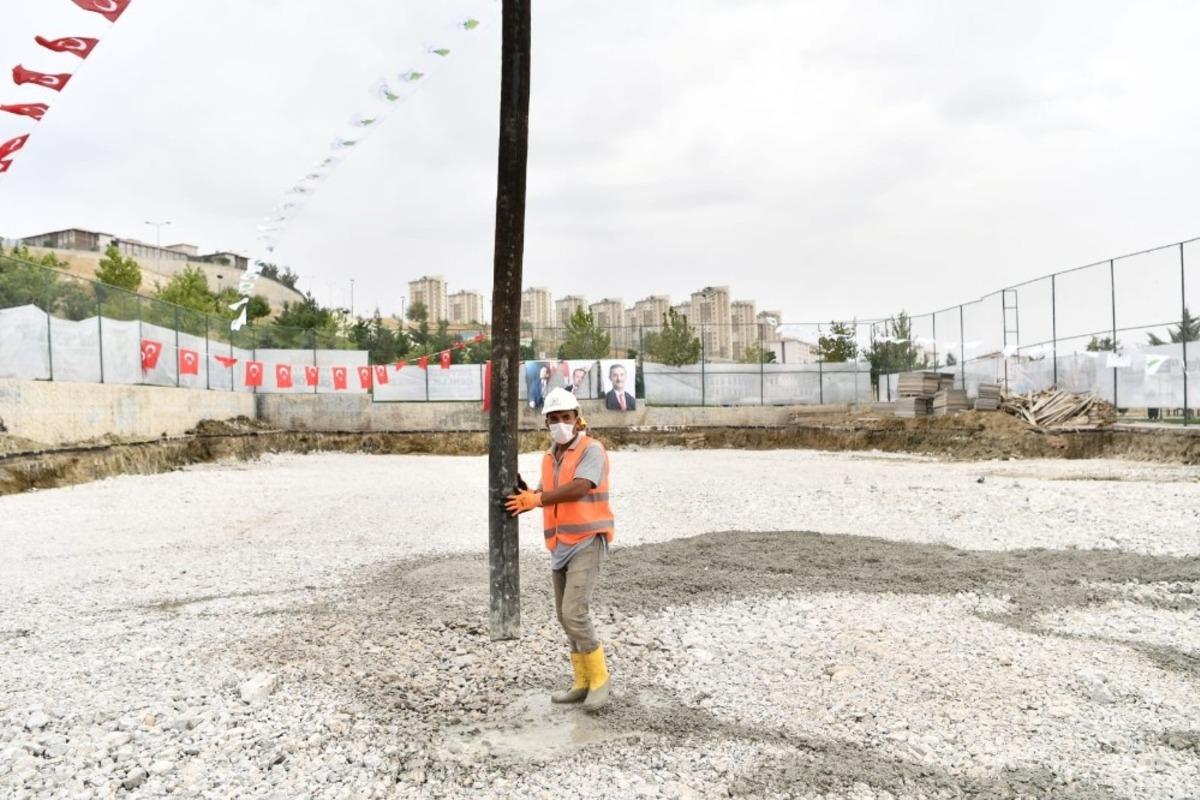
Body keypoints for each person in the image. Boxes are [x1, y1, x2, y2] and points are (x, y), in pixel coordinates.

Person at [505, 387, 613, 711]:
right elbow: (546, 493)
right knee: (564, 617)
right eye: (553, 419)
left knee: (574, 613)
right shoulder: (550, 457)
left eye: (565, 417)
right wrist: (527, 497)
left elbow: (580, 488)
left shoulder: (591, 450)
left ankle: (600, 681)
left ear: (577, 418)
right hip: (560, 544)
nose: (560, 424)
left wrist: (536, 498)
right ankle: (581, 682)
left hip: (587, 540)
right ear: (546, 423)